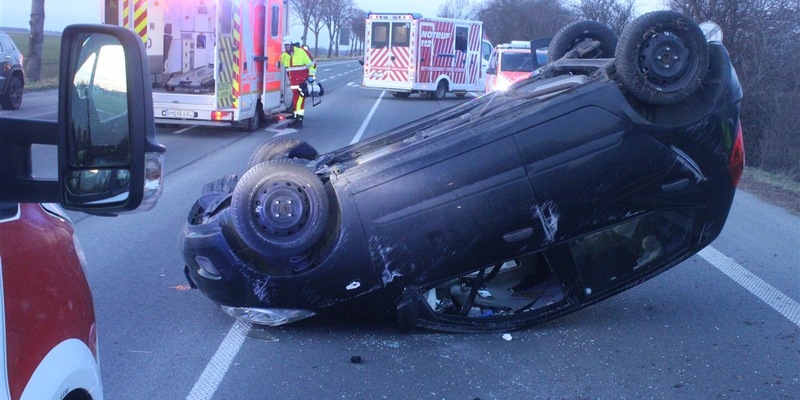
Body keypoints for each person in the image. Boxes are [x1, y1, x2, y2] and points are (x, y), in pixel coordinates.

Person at [280, 36, 314, 129]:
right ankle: (297, 119)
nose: (285, 47)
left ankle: (299, 121)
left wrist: (311, 76)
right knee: (296, 102)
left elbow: (312, 64)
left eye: (287, 45)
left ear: (291, 45)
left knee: (299, 102)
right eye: (284, 45)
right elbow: (278, 62)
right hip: (294, 85)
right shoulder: (285, 55)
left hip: (301, 83)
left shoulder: (301, 52)